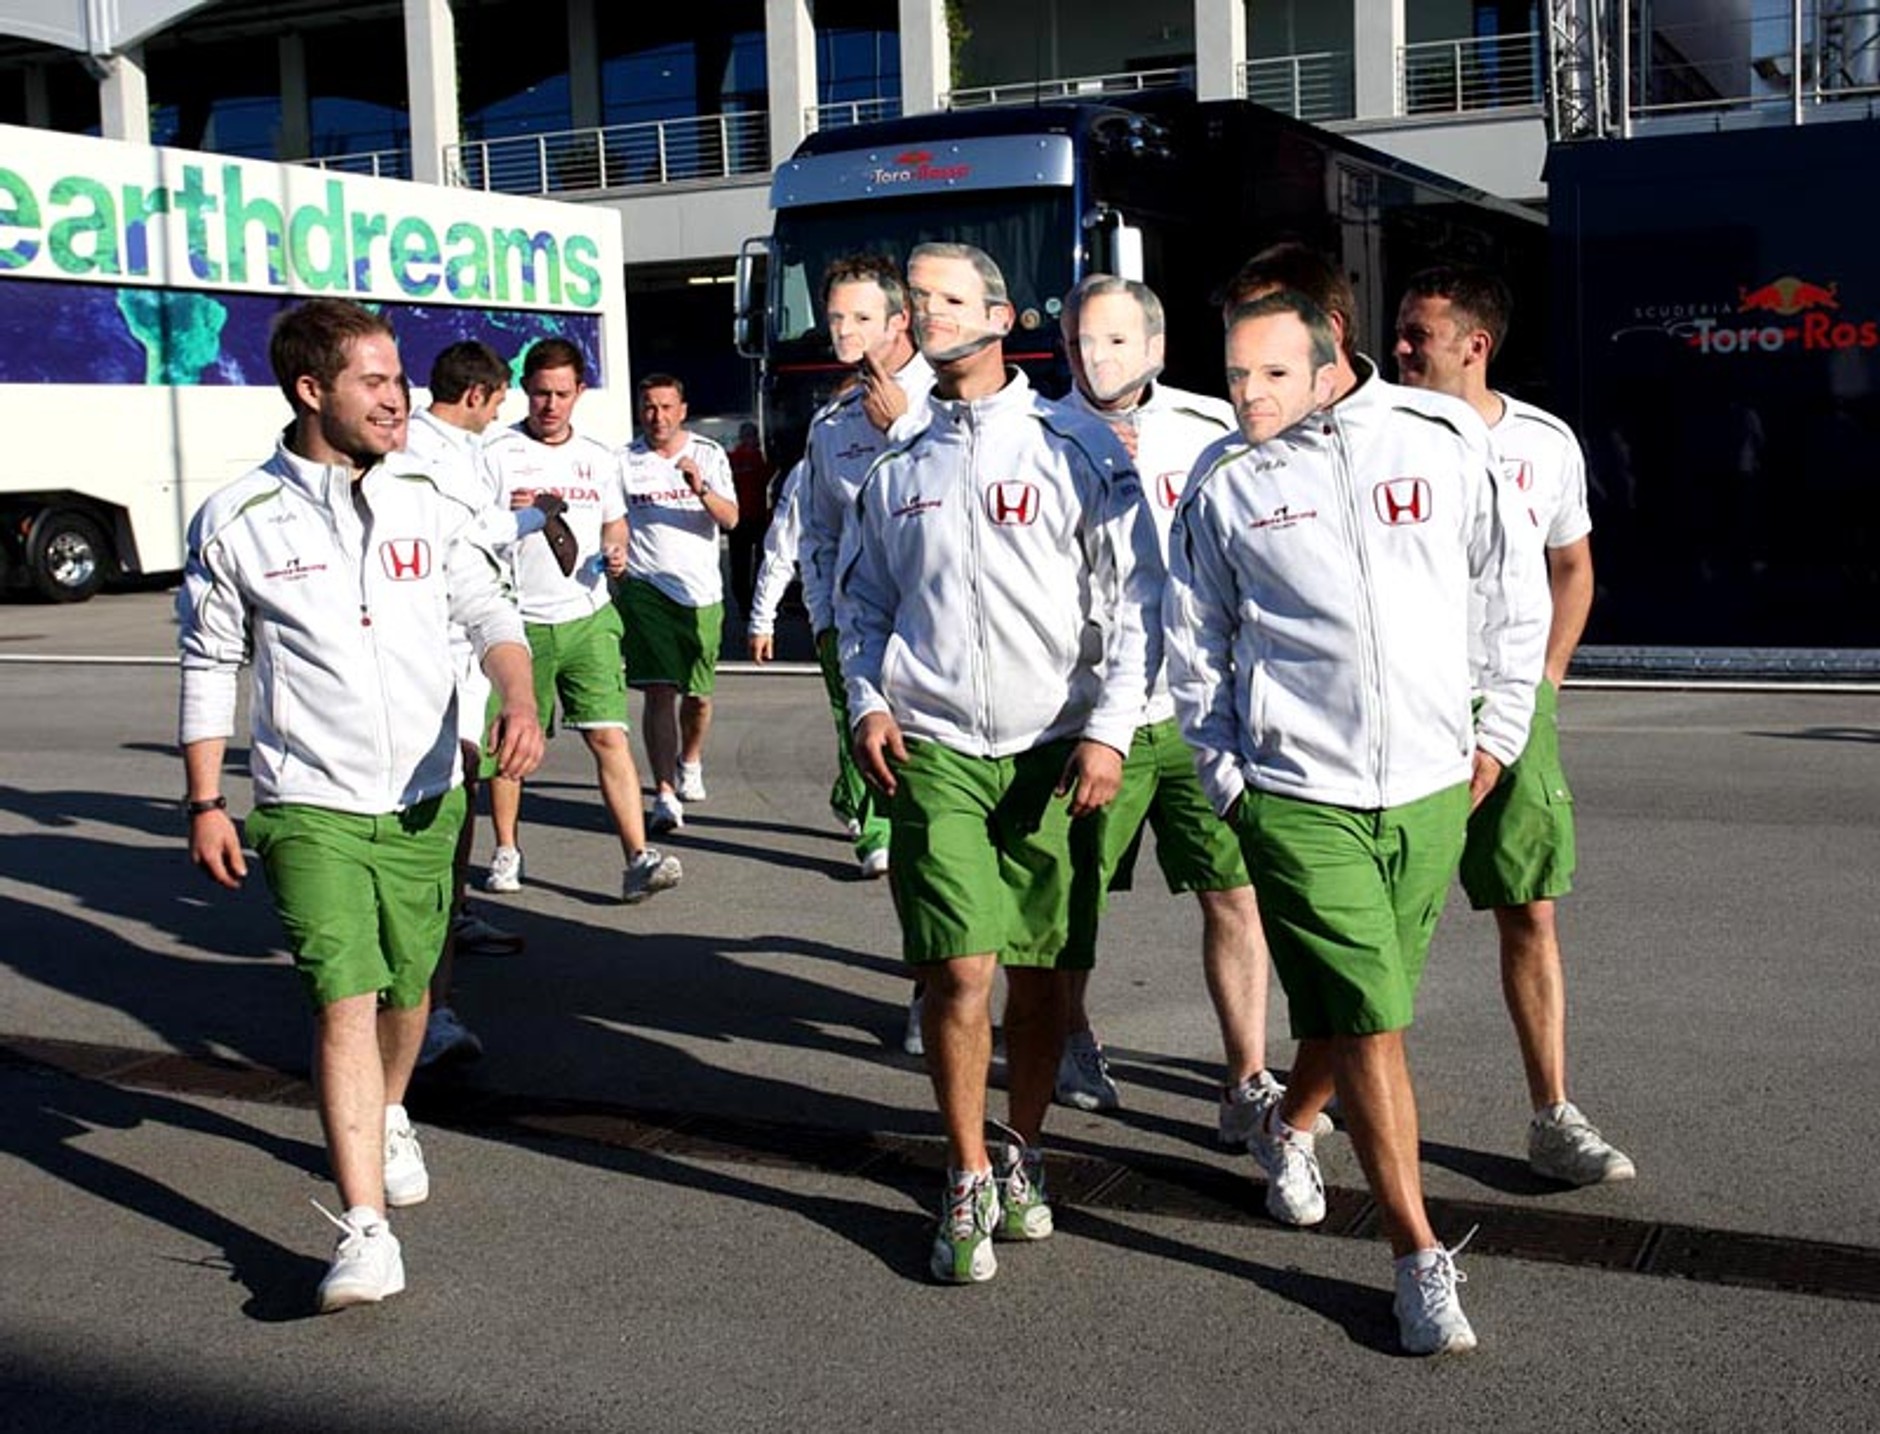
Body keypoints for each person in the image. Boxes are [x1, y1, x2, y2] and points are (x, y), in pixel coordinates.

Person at [1165, 289, 1546, 1354]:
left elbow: (1510, 586)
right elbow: (1192, 639)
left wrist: (1496, 735)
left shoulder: (1433, 440)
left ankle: (1287, 1123)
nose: (1244, 395)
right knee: (1376, 1021)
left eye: (1270, 375)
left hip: (1433, 784)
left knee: (1357, 1002)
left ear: (1332, 366)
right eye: (1234, 373)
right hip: (1298, 794)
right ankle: (1415, 1255)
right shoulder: (1225, 479)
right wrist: (1229, 777)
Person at [177, 298, 547, 1311]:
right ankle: (364, 1230)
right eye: (375, 382)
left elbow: (483, 606)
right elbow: (211, 663)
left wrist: (517, 690)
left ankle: (389, 1109)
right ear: (312, 392)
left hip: (428, 796)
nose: (399, 399)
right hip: (308, 803)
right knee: (343, 997)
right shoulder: (239, 520)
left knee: (409, 991)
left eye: (398, 378)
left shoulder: (429, 490)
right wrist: (205, 796)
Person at [838, 242, 1161, 1284]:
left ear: (1001, 313)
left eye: (943, 297)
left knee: (1043, 984)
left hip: (1054, 751)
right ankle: (967, 1169)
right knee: (960, 971)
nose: (922, 312)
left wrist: (1110, 730)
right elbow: (859, 602)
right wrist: (868, 700)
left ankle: (1020, 1153)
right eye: (913, 299)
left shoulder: (1077, 446)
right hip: (935, 751)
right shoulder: (898, 461)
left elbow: (1135, 607)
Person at [1051, 274, 1322, 1149]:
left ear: (1157, 350)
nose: (1100, 358)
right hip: (1087, 716)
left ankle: (1246, 1075)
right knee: (1069, 899)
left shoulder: (1212, 429)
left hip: (1197, 711)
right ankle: (1070, 1035)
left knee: (1233, 893)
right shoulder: (1039, 436)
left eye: (1119, 341)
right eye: (1085, 342)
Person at [1394, 264, 1635, 1185]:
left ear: (1475, 345)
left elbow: (1571, 565)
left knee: (1529, 911)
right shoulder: (1377, 433)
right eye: (1403, 330)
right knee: (1379, 922)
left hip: (1508, 707)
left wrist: (1544, 681)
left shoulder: (1544, 441)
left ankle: (1552, 1113)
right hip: (1405, 707)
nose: (1403, 346)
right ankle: (1327, 1093)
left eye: (1420, 334)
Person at [478, 339, 682, 903]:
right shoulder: (496, 453)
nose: (550, 405)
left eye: (561, 394)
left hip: (588, 616)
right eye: (540, 393)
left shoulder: (599, 457)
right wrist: (507, 516)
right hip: (519, 623)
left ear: (579, 393)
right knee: (512, 746)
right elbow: (471, 533)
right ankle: (506, 849)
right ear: (526, 391)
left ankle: (638, 857)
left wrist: (616, 550)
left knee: (608, 737)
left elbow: (614, 525)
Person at [403, 340, 539, 1068]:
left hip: (472, 655)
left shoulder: (464, 448)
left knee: (461, 799)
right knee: (443, 804)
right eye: (503, 397)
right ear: (480, 395)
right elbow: (476, 536)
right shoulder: (426, 453)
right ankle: (426, 1006)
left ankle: (449, 923)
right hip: (438, 662)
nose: (507, 411)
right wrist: (531, 517)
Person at [793, 254, 936, 883]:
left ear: (899, 320)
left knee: (939, 795)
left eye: (859, 317)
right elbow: (819, 529)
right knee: (883, 763)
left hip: (942, 623)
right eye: (834, 318)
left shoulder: (950, 398)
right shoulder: (831, 423)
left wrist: (902, 425)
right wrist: (825, 616)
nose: (842, 331)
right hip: (863, 627)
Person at [619, 373, 738, 835]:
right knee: (659, 692)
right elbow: (615, 521)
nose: (658, 416)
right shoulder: (623, 461)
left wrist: (699, 487)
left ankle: (690, 760)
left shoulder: (708, 454)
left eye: (666, 407)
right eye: (649, 407)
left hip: (700, 594)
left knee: (698, 698)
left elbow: (731, 519)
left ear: (682, 410)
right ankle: (665, 793)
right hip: (646, 588)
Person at [726, 420, 775, 623]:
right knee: (761, 565)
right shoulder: (762, 460)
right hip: (759, 519)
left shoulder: (731, 459)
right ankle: (756, 603)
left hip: (739, 520)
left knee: (739, 566)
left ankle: (744, 605)